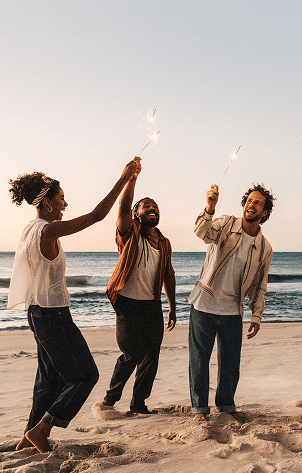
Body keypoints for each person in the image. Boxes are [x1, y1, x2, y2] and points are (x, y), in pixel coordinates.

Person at [8, 158, 140, 453]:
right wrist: (123, 178)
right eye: (61, 199)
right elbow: (96, 215)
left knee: (48, 381)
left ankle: (25, 440)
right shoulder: (47, 231)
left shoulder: (29, 229)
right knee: (85, 376)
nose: (65, 205)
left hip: (37, 314)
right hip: (53, 317)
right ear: (47, 204)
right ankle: (42, 430)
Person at [188, 183, 275, 421]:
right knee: (199, 361)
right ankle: (199, 410)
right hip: (204, 304)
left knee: (230, 364)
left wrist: (256, 315)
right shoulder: (226, 223)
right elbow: (201, 233)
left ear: (265, 212)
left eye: (258, 203)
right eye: (249, 200)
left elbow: (259, 285)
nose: (251, 205)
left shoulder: (265, 248)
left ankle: (226, 407)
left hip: (232, 311)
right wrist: (209, 207)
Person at [100, 160, 176, 415]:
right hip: (127, 303)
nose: (152, 209)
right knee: (132, 352)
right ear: (137, 214)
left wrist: (172, 308)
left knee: (151, 355)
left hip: (152, 305)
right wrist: (131, 179)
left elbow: (168, 275)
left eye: (155, 206)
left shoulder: (164, 242)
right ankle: (110, 400)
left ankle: (139, 404)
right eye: (146, 206)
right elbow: (121, 210)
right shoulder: (129, 233)